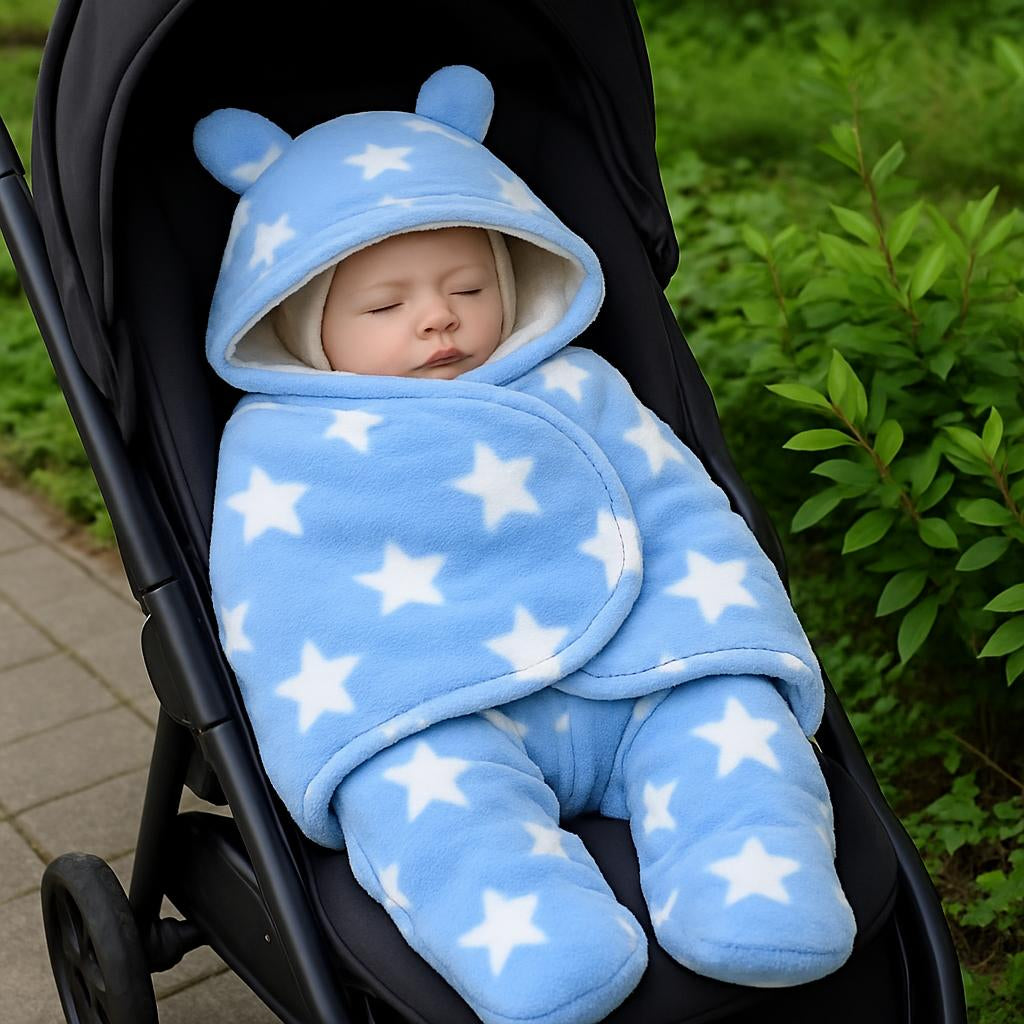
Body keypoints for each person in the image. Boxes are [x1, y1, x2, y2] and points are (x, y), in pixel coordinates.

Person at [196, 65, 856, 1024]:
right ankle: (535, 940)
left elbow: (679, 507)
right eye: (384, 306)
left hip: (639, 667)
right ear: (300, 325)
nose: (438, 316)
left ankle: (748, 885)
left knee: (732, 717)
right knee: (424, 801)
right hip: (430, 699)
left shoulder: (575, 384)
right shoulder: (279, 448)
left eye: (469, 285)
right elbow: (282, 603)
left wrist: (721, 636)